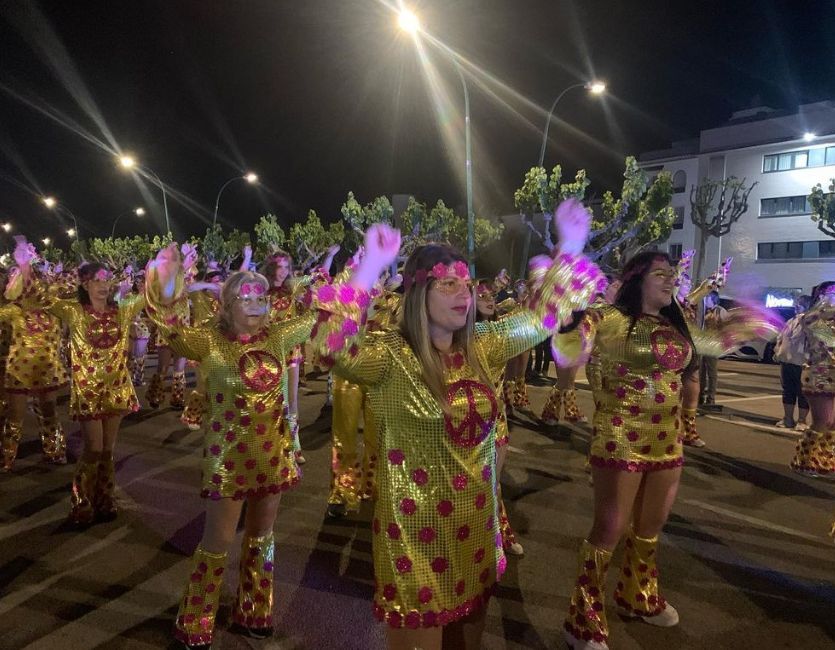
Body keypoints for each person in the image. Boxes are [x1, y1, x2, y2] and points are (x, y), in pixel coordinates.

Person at [319, 199, 604, 650]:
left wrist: (571, 245)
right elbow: (330, 345)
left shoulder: (483, 346)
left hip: (476, 530)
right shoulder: (389, 357)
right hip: (413, 539)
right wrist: (370, 265)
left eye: (466, 284)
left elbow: (541, 319)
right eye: (448, 283)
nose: (464, 294)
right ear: (418, 292)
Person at [146, 227, 398, 649]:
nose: (256, 303)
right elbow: (169, 328)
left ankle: (254, 609)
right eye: (245, 297)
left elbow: (327, 310)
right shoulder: (208, 339)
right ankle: (197, 617)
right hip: (227, 459)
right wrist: (167, 281)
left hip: (272, 453)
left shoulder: (279, 336)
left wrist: (370, 264)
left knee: (261, 536)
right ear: (227, 303)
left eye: (261, 297)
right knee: (217, 541)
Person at [553, 250, 780, 650]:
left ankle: (637, 595)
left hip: (667, 439)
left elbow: (713, 343)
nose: (671, 279)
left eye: (672, 273)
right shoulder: (609, 318)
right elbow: (569, 345)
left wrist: (751, 320)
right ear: (636, 279)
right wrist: (568, 312)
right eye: (660, 273)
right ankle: (582, 620)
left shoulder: (677, 325)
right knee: (609, 529)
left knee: (650, 527)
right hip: (621, 439)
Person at [0, 242, 69, 471]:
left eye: (43, 284)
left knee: (49, 412)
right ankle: (7, 456)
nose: (39, 288)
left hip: (47, 369)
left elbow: (71, 286)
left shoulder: (54, 312)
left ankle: (55, 451)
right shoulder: (14, 311)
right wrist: (24, 264)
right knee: (15, 416)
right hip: (19, 370)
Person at [790, 281, 835, 477]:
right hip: (819, 376)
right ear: (821, 296)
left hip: (832, 375)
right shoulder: (812, 318)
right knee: (822, 421)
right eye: (832, 293)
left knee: (832, 424)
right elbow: (826, 338)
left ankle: (824, 459)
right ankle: (804, 461)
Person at [773, 295, 811, 430]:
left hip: (803, 363)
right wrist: (777, 351)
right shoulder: (790, 321)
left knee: (803, 392)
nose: (796, 306)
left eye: (800, 304)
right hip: (787, 361)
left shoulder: (810, 322)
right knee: (788, 390)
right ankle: (788, 418)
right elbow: (780, 338)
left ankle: (802, 420)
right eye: (796, 303)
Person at [698, 290, 728, 405]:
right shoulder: (703, 311)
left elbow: (726, 328)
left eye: (707, 298)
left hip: (713, 346)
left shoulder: (721, 311)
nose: (705, 301)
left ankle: (711, 398)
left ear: (713, 299)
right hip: (702, 345)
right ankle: (700, 396)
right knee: (700, 371)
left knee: (712, 373)